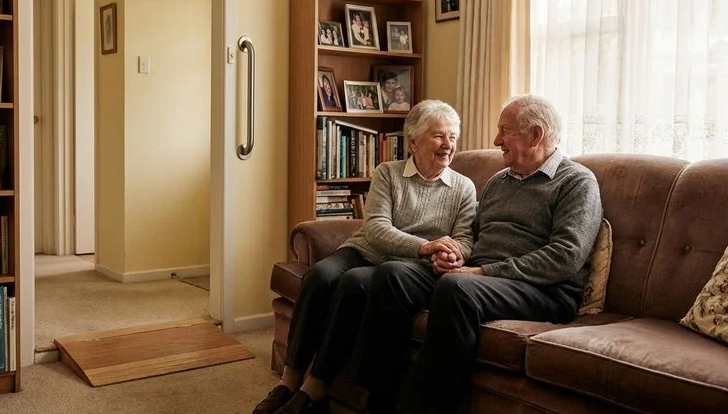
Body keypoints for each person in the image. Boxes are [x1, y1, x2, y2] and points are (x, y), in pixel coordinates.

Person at [354, 94, 603, 413]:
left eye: (505, 130)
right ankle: (375, 398)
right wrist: (455, 255)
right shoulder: (500, 180)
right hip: (481, 278)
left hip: (543, 290)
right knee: (394, 275)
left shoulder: (577, 182)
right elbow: (473, 233)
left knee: (456, 288)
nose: (496, 139)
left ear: (536, 134)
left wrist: (483, 273)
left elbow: (564, 258)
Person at [252, 100, 477, 414]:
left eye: (453, 137)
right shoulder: (389, 173)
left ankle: (316, 387)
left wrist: (454, 255)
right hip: (365, 251)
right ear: (413, 141)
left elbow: (465, 239)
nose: (448, 145)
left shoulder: (463, 188)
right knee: (320, 276)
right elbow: (376, 229)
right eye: (439, 136)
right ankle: (288, 381)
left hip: (402, 267)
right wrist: (426, 246)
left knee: (355, 284)